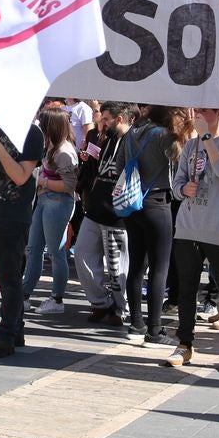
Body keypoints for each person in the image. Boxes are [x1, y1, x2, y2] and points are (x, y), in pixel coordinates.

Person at [166, 106, 219, 372]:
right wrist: (182, 188)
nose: (199, 115)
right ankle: (185, 344)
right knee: (187, 288)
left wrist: (206, 139)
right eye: (197, 111)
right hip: (189, 227)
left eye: (205, 111)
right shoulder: (190, 146)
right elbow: (176, 185)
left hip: (218, 227)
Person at [0, 117, 45, 359]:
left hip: (14, 215)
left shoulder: (32, 133)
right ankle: (16, 330)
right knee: (2, 274)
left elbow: (21, 177)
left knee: (10, 276)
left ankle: (6, 335)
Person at [120, 105, 185, 348]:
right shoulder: (163, 135)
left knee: (137, 263)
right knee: (160, 267)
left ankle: (136, 324)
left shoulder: (131, 133)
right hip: (157, 202)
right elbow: (181, 165)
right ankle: (155, 331)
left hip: (132, 202)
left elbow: (120, 166)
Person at [75, 102, 134, 327]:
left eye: (106, 118)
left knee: (117, 266)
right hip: (96, 208)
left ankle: (121, 308)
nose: (102, 122)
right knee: (82, 254)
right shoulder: (107, 139)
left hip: (116, 213)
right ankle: (100, 302)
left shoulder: (131, 141)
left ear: (119, 119)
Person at [22, 107, 79, 315]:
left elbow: (69, 185)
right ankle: (25, 294)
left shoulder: (64, 152)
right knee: (33, 248)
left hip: (58, 202)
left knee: (56, 252)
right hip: (46, 200)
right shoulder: (52, 146)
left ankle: (57, 298)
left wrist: (43, 180)